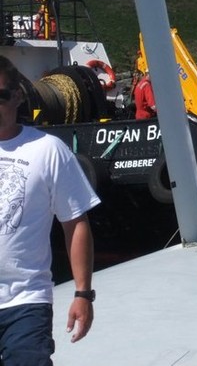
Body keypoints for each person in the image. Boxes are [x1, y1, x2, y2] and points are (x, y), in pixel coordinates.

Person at [0, 55, 101, 364]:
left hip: (25, 302)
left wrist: (83, 294)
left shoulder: (47, 150)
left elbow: (75, 222)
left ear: (17, 96)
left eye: (0, 96)